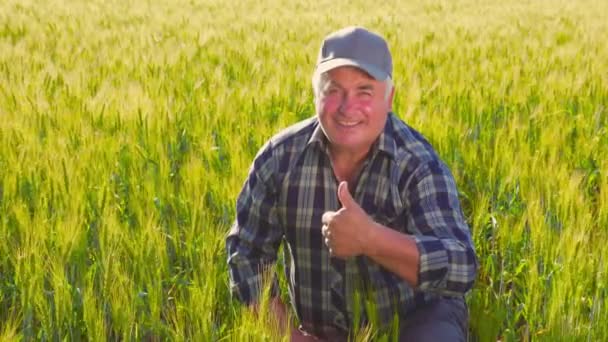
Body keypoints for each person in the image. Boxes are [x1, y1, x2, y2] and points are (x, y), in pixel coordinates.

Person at [226, 26, 478, 341]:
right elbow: (247, 255)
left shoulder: (417, 163)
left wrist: (370, 239)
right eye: (334, 90)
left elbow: (461, 267)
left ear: (389, 98)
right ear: (315, 93)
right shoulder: (279, 159)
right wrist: (289, 337)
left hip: (415, 322)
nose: (347, 107)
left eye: (364, 91)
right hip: (322, 332)